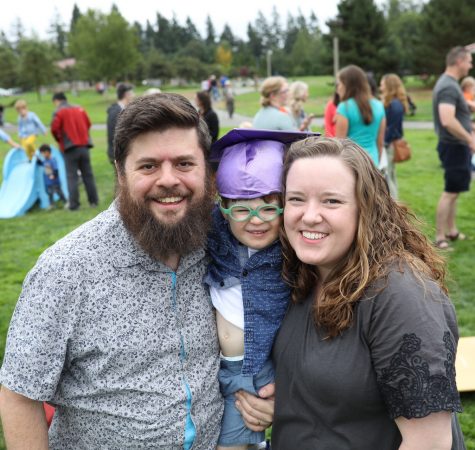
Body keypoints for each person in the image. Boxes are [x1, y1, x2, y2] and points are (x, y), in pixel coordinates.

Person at [0, 93, 274, 449]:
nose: (168, 180)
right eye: (148, 166)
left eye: (184, 163)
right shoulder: (66, 269)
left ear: (206, 169)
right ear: (120, 170)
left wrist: (274, 389)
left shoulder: (221, 243)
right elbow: (20, 395)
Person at [272, 136, 465, 449]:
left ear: (366, 208)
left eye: (331, 201)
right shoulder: (304, 275)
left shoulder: (399, 293)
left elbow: (429, 443)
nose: (308, 215)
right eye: (296, 199)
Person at [206, 128, 313, 449]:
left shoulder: (293, 251)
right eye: (241, 209)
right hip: (214, 368)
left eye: (269, 208)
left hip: (256, 371)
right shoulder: (215, 233)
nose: (256, 220)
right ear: (223, 210)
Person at [433, 46, 475, 250]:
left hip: (455, 146)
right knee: (450, 192)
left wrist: (470, 107)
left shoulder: (450, 84)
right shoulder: (449, 86)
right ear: (459, 62)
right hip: (454, 146)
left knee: (455, 190)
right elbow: (447, 119)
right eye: (469, 61)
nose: (471, 65)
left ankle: (452, 231)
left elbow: (454, 108)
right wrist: (470, 139)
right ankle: (440, 236)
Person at [51, 92, 99, 211]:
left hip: (70, 148)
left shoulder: (59, 111)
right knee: (88, 174)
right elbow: (88, 123)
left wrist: (60, 140)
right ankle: (94, 201)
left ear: (56, 101)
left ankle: (74, 204)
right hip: (84, 146)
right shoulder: (79, 108)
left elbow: (54, 128)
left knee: (72, 176)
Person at [335, 65, 386, 166]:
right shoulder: (379, 106)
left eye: (339, 84)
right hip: (372, 161)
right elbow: (380, 142)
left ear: (347, 85)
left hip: (351, 163)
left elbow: (339, 145)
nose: (338, 88)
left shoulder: (344, 107)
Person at [380, 73, 409, 199]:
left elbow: (392, 127)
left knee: (388, 174)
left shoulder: (394, 104)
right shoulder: (394, 103)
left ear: (389, 85)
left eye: (382, 84)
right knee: (390, 174)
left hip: (390, 143)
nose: (380, 87)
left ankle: (393, 203)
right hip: (390, 142)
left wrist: (385, 142)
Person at [106, 83, 134, 163]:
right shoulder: (116, 111)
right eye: (132, 93)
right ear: (126, 94)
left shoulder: (122, 109)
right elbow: (114, 135)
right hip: (118, 154)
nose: (133, 95)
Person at [38, 144, 68, 209]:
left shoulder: (52, 160)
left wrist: (54, 175)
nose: (42, 155)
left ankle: (66, 202)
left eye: (43, 153)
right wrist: (37, 159)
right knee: (50, 193)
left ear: (47, 152)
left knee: (59, 192)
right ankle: (51, 204)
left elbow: (56, 170)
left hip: (55, 181)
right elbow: (41, 163)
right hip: (49, 182)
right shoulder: (45, 160)